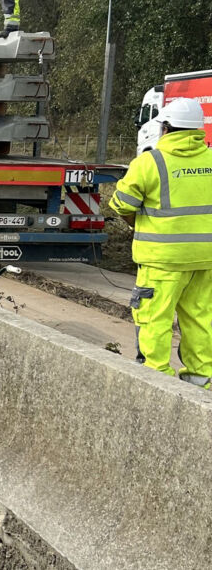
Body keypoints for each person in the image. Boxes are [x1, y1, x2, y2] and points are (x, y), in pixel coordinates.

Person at [110, 98, 212, 388]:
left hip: (161, 260)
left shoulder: (150, 162)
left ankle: (155, 381)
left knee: (155, 319)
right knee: (201, 320)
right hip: (205, 260)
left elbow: (120, 204)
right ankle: (202, 381)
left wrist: (138, 224)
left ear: (166, 128)